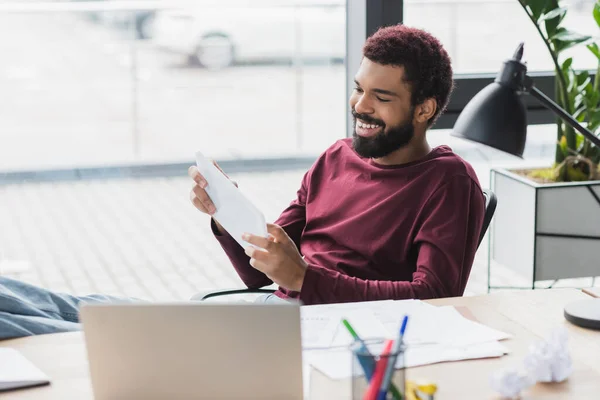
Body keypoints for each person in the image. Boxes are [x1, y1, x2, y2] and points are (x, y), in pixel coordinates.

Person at [0, 25, 484, 340]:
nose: (360, 107)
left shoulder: (448, 181)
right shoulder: (336, 157)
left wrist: (306, 280)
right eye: (359, 89)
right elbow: (261, 274)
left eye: (381, 97)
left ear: (424, 109)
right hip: (277, 311)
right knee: (82, 308)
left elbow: (435, 296)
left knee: (99, 330)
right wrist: (226, 217)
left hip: (334, 336)